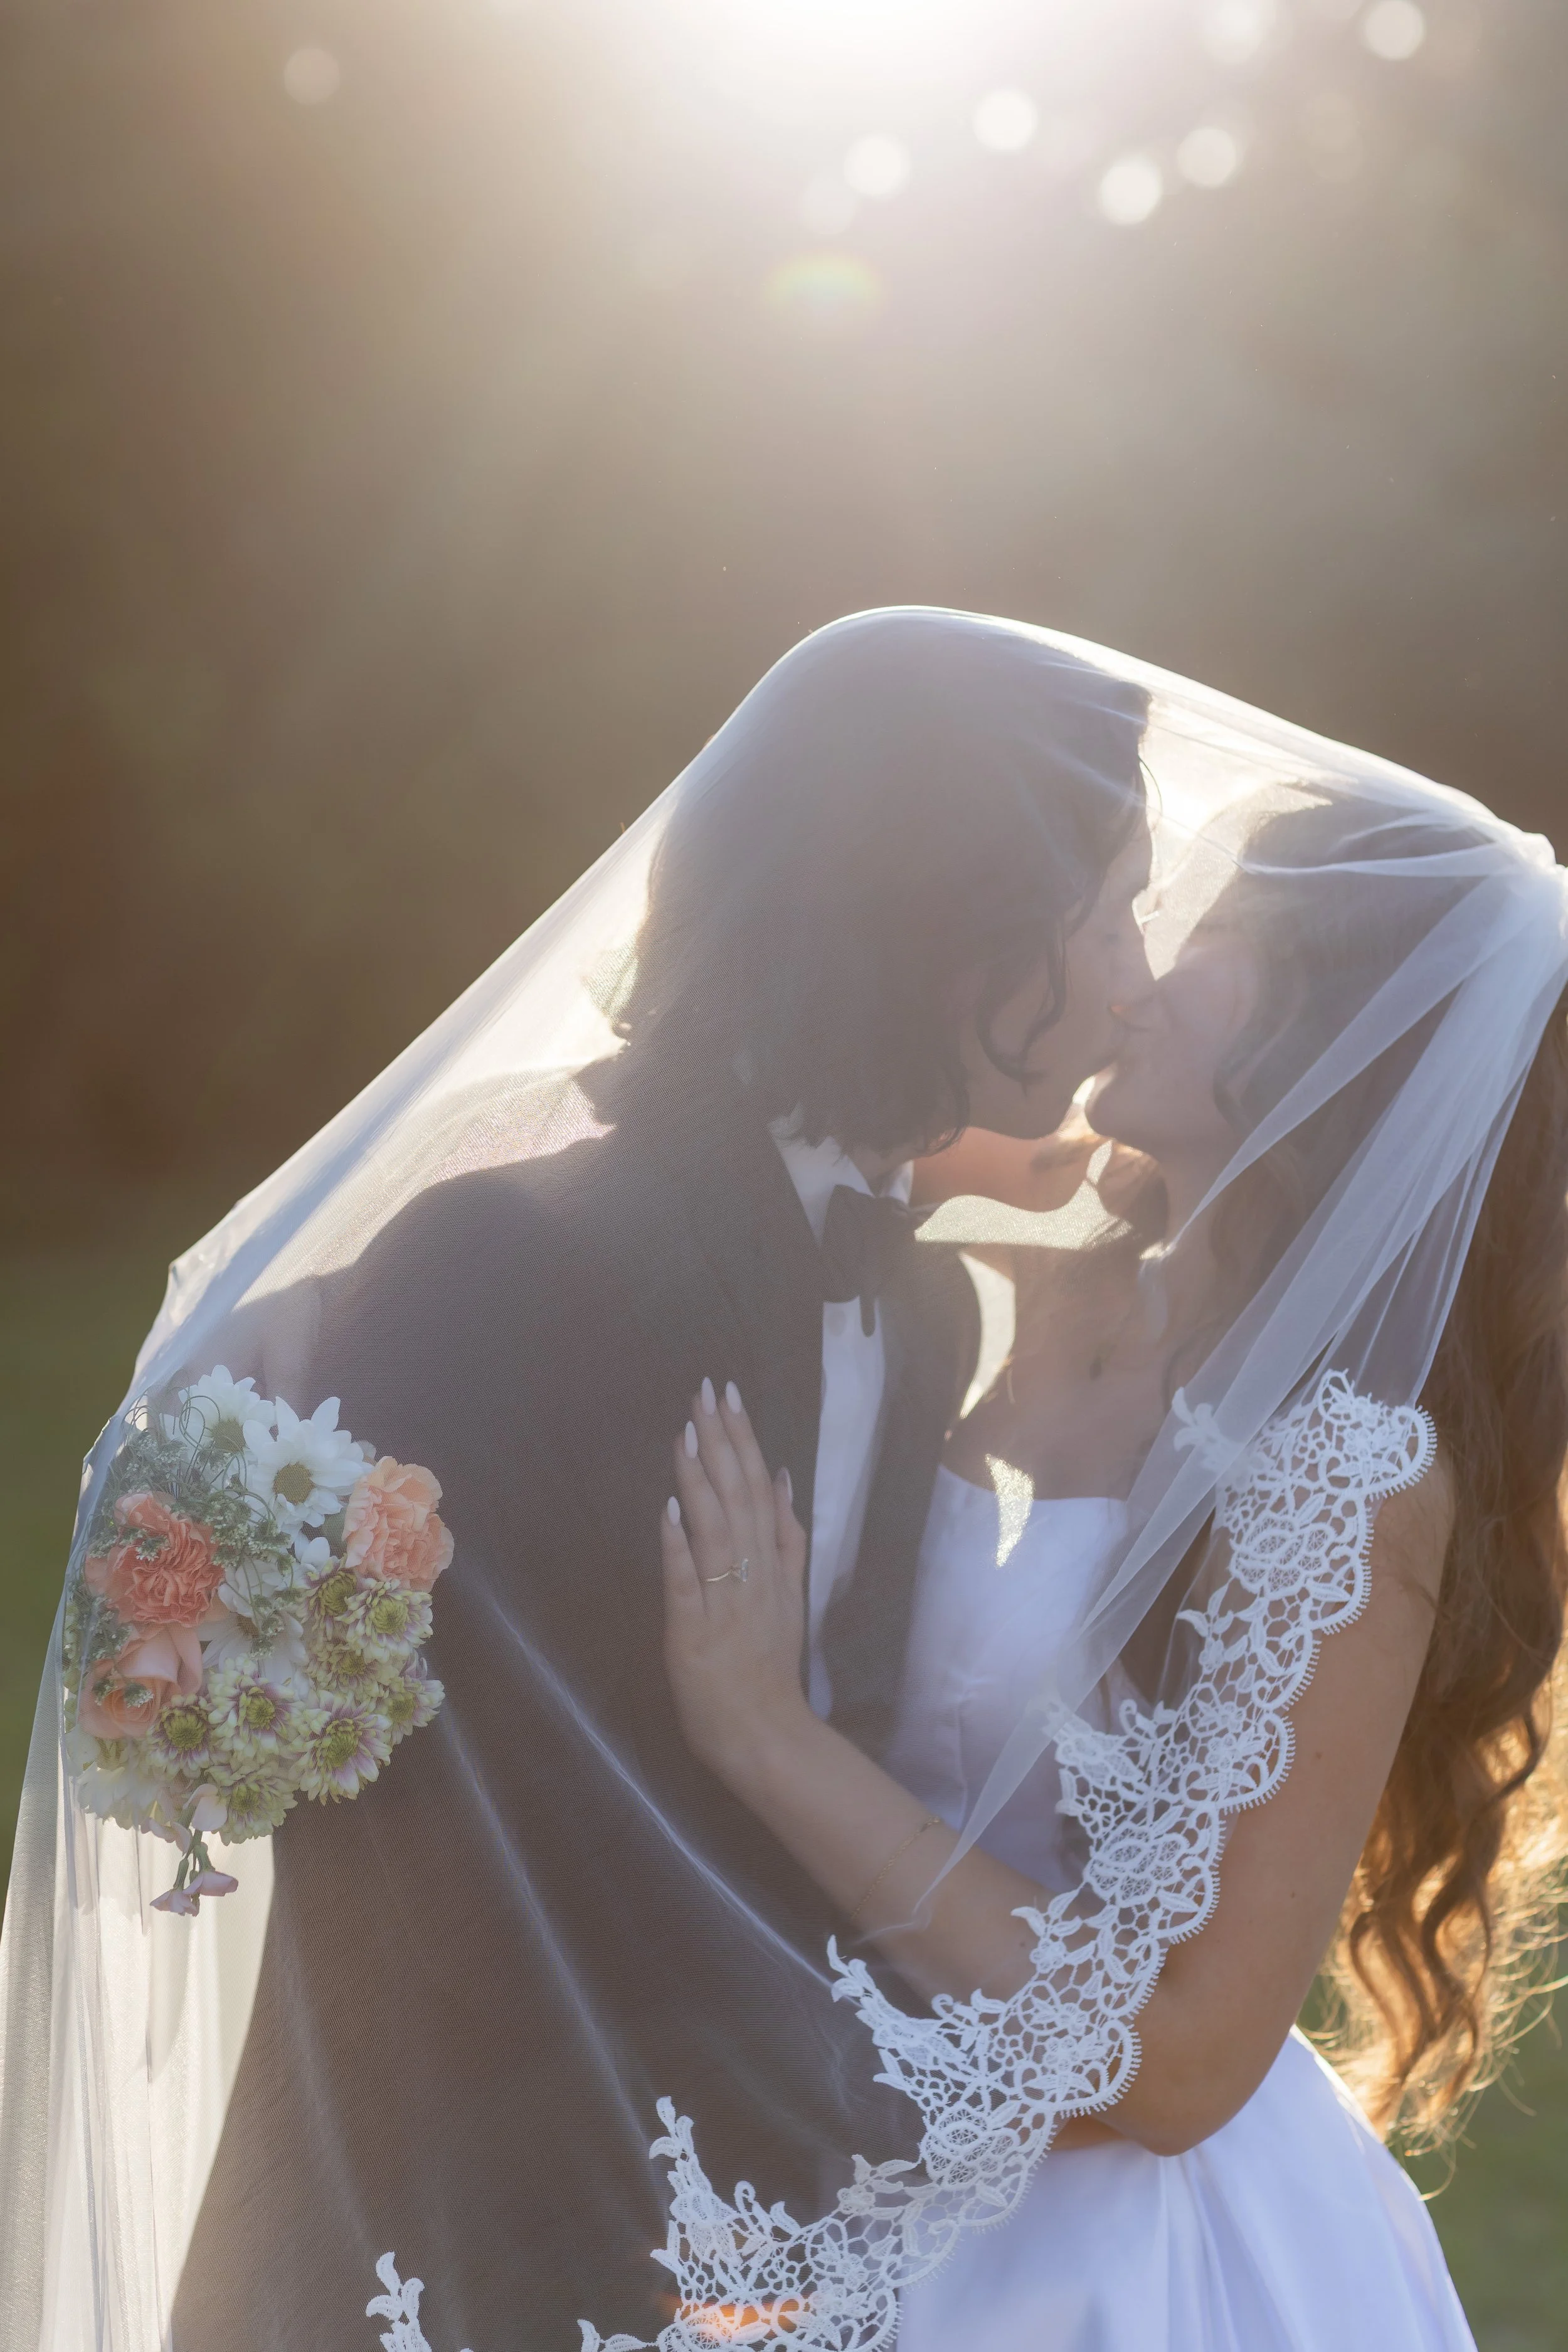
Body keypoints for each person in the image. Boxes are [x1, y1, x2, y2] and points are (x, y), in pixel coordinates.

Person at [0, 610, 1150, 2352]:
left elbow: (801, 1766)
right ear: (950, 917)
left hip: (733, 2242)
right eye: (1109, 908)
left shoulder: (912, 1303)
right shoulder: (508, 1261)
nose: (1132, 976)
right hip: (430, 2236)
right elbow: (352, 1801)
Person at [647, 786, 1568, 2349]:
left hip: (1112, 2266)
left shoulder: (1341, 1474)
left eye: (1209, 940)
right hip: (808, 2150)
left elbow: (1189, 2060)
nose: (1128, 973)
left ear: (1328, 1035)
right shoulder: (981, 1287)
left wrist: (762, 1739)